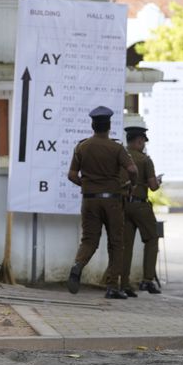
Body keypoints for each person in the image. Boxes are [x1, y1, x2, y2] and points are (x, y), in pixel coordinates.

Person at [66, 106, 137, 299]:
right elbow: (132, 170)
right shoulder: (116, 148)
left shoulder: (81, 147)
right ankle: (113, 287)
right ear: (109, 126)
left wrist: (86, 184)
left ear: (92, 125)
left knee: (89, 240)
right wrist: (132, 184)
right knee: (116, 243)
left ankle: (77, 265)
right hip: (112, 201)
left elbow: (71, 175)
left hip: (89, 200)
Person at [119, 126, 162, 297]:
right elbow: (152, 186)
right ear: (139, 141)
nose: (144, 144)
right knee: (152, 239)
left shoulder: (120, 156)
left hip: (123, 204)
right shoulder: (145, 160)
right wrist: (158, 181)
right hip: (140, 206)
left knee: (126, 245)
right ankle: (147, 280)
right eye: (143, 141)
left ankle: (124, 283)